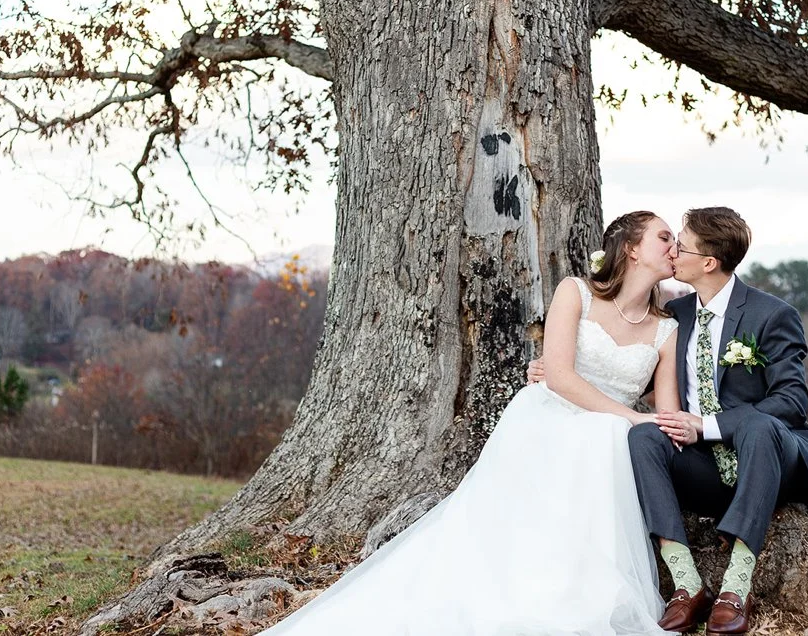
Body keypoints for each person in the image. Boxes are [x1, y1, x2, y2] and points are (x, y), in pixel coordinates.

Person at [259, 211, 681, 636]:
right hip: (549, 420)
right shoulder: (577, 293)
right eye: (663, 237)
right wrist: (628, 416)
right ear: (630, 249)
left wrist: (662, 425)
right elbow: (558, 374)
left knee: (605, 435)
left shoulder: (666, 329)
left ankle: (579, 586)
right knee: (601, 434)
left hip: (606, 438)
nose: (673, 246)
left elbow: (667, 414)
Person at [530, 206, 808, 635]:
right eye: (669, 242)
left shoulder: (772, 315)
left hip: (770, 462)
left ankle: (736, 586)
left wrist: (706, 425)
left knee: (760, 425)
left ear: (707, 263)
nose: (674, 252)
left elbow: (792, 403)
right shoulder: (676, 316)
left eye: (681, 245)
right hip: (706, 468)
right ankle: (687, 584)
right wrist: (559, 369)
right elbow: (648, 379)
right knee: (646, 437)